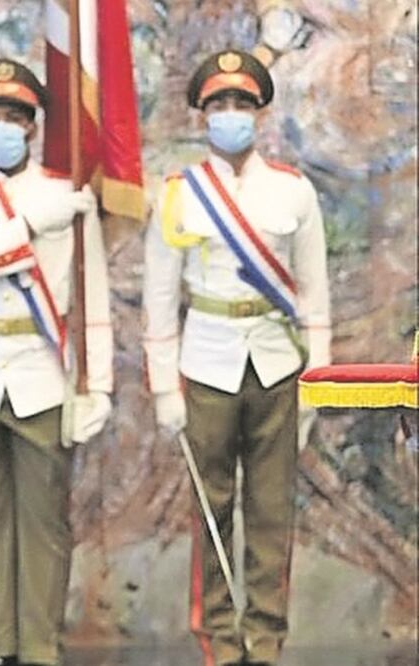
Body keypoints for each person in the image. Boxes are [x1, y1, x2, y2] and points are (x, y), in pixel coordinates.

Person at [142, 50, 331, 666]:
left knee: (273, 510)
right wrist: (164, 389)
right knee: (210, 507)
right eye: (219, 105)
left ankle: (267, 636)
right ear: (202, 115)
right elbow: (161, 298)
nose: (231, 115)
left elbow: (314, 291)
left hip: (278, 365)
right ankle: (220, 639)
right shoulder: (180, 195)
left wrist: (319, 382)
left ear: (260, 112)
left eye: (241, 104)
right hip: (207, 365)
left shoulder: (293, 191)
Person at [0, 58, 114, 666]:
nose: (4, 127)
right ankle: (2, 648)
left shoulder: (66, 195)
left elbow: (92, 296)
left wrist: (99, 386)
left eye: (15, 116)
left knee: (46, 523)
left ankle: (40, 650)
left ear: (33, 126)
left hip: (45, 373)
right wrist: (27, 228)